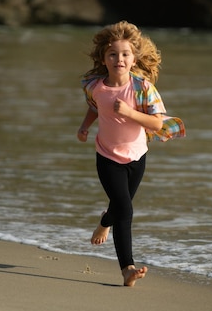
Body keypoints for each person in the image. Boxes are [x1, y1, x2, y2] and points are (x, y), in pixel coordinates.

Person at [77, 21, 185, 287]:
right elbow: (94, 106)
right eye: (113, 54)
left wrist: (128, 113)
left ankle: (105, 221)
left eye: (125, 54)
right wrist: (85, 125)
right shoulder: (95, 86)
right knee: (125, 209)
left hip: (137, 157)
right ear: (104, 58)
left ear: (134, 58)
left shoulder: (142, 88)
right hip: (107, 156)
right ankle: (128, 269)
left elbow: (158, 124)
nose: (119, 59)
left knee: (119, 208)